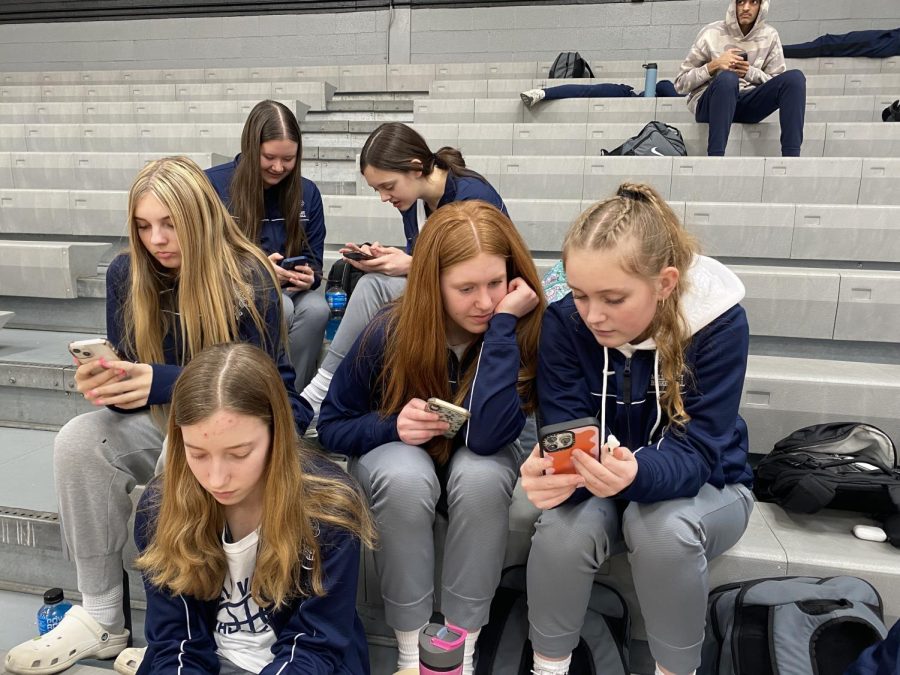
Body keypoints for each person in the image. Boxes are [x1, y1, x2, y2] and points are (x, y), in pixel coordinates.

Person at [4, 157, 312, 675]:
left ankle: (183, 624)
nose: (157, 239)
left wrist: (164, 380)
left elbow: (268, 393)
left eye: (170, 223)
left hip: (237, 429)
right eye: (144, 226)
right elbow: (132, 375)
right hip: (156, 419)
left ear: (199, 217)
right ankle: (102, 614)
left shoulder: (249, 275)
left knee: (184, 444)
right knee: (79, 441)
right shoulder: (128, 272)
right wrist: (108, 383)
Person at [520, 183, 754, 675]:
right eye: (581, 295)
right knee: (562, 531)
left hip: (711, 483)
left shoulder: (718, 322)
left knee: (660, 528)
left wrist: (634, 475)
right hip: (603, 481)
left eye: (613, 298)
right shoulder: (566, 320)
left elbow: (697, 452)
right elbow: (564, 427)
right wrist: (553, 474)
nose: (594, 316)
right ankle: (548, 668)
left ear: (665, 282)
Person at [317, 200, 544, 674]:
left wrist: (503, 328)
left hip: (481, 456)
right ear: (432, 285)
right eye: (465, 288)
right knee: (405, 475)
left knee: (480, 475)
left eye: (495, 284)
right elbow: (333, 427)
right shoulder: (389, 330)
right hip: (395, 459)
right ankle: (408, 654)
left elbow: (489, 436)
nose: (484, 302)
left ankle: (457, 655)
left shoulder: (519, 326)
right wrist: (390, 425)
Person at [132, 342, 375, 674]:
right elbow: (175, 641)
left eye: (239, 453)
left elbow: (316, 644)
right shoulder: (161, 508)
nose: (217, 478)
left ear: (276, 435)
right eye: (198, 454)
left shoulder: (329, 508)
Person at [300, 122, 507, 424]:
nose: (384, 197)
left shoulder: (473, 196)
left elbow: (476, 269)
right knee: (374, 281)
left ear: (415, 168)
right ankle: (329, 394)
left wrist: (411, 264)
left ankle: (319, 393)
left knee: (373, 288)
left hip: (476, 299)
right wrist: (391, 259)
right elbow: (432, 259)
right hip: (442, 294)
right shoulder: (414, 202)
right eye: (377, 190)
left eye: (388, 186)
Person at [206, 100, 329, 390]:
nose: (279, 167)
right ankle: (260, 392)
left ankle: (293, 397)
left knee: (317, 310)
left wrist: (310, 277)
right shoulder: (213, 185)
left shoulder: (307, 192)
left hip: (288, 288)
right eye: (269, 157)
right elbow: (204, 256)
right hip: (234, 289)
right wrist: (259, 272)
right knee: (280, 306)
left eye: (288, 159)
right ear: (250, 148)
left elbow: (314, 257)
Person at [674, 0, 807, 157]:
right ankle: (715, 158)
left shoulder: (770, 36)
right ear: (733, 4)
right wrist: (714, 65)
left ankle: (791, 159)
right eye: (741, 2)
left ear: (762, 6)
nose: (745, 8)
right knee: (728, 79)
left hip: (747, 102)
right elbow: (680, 84)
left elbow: (776, 80)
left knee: (795, 79)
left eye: (753, 2)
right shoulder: (711, 33)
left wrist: (750, 72)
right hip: (712, 104)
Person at [520, 80, 681, 107]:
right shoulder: (667, 86)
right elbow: (662, 85)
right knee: (589, 91)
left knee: (589, 91)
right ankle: (542, 93)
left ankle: (542, 93)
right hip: (625, 95)